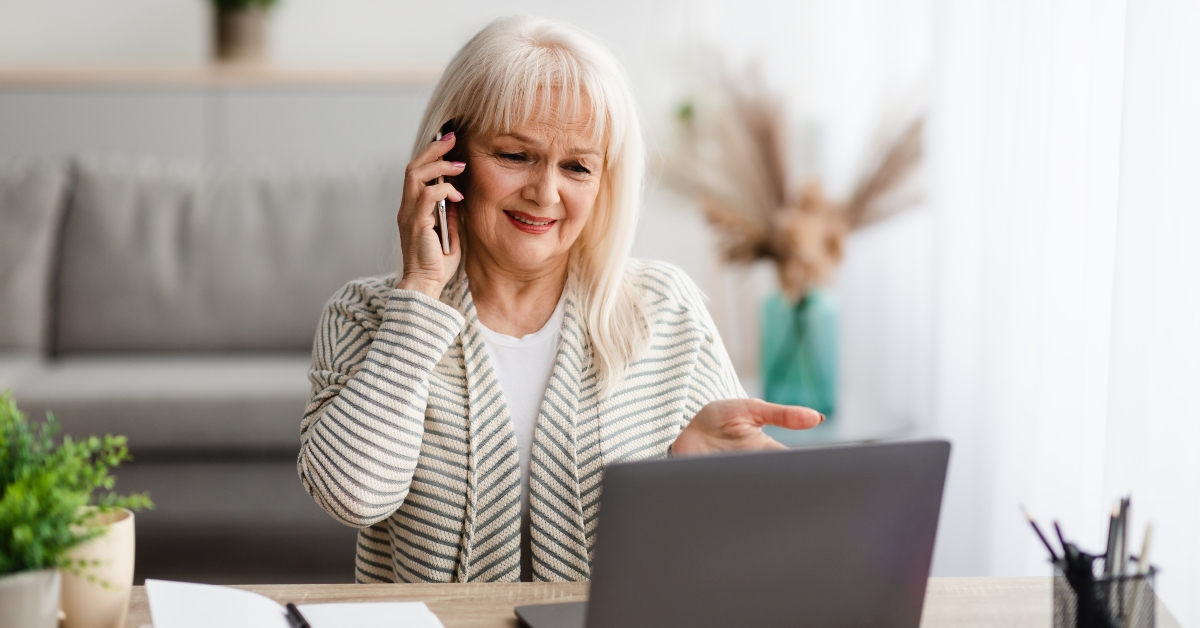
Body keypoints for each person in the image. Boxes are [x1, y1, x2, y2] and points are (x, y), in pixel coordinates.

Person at [297, 15, 824, 584]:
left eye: (576, 166)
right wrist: (422, 290)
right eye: (515, 155)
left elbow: (733, 556)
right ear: (449, 158)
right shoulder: (365, 315)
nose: (545, 194)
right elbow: (350, 496)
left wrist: (685, 481)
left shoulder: (665, 309)